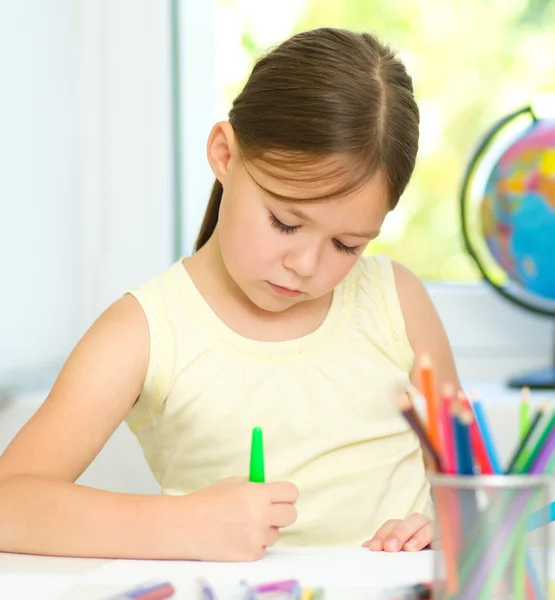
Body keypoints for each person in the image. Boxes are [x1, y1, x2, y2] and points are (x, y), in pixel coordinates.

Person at [0, 27, 460, 561]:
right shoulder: (145, 332)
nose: (306, 265)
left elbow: (468, 485)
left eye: (346, 244)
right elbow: (9, 503)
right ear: (224, 154)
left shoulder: (396, 301)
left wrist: (446, 526)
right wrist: (178, 525)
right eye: (286, 222)